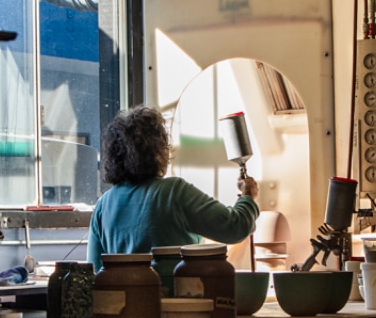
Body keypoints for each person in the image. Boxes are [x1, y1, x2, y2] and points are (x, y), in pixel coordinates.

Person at [87, 106, 259, 263]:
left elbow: (95, 270)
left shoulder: (103, 206)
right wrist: (248, 196)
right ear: (157, 150)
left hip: (122, 297)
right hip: (175, 296)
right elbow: (235, 227)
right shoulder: (173, 192)